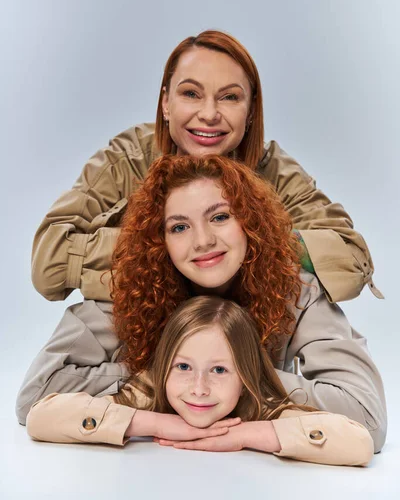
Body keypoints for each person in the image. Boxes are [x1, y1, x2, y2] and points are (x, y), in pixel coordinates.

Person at [17, 155, 386, 454]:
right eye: (179, 227)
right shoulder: (130, 287)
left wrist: (248, 384)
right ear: (159, 240)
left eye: (220, 217)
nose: (203, 241)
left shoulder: (297, 291)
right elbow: (35, 397)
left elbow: (368, 419)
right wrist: (156, 384)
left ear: (250, 223)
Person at [31, 30, 382, 306]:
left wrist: (247, 241)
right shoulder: (130, 157)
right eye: (191, 94)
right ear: (166, 102)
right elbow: (50, 261)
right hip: (145, 328)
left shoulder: (273, 168)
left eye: (230, 97)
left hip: (245, 340)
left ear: (250, 110)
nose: (210, 114)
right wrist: (167, 248)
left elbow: (349, 259)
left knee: (315, 304)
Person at [26, 295, 374, 467]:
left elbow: (359, 444)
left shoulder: (261, 408)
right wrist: (152, 422)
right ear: (163, 366)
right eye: (183, 367)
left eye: (220, 370)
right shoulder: (146, 394)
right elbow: (40, 417)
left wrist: (243, 435)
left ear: (246, 373)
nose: (199, 388)